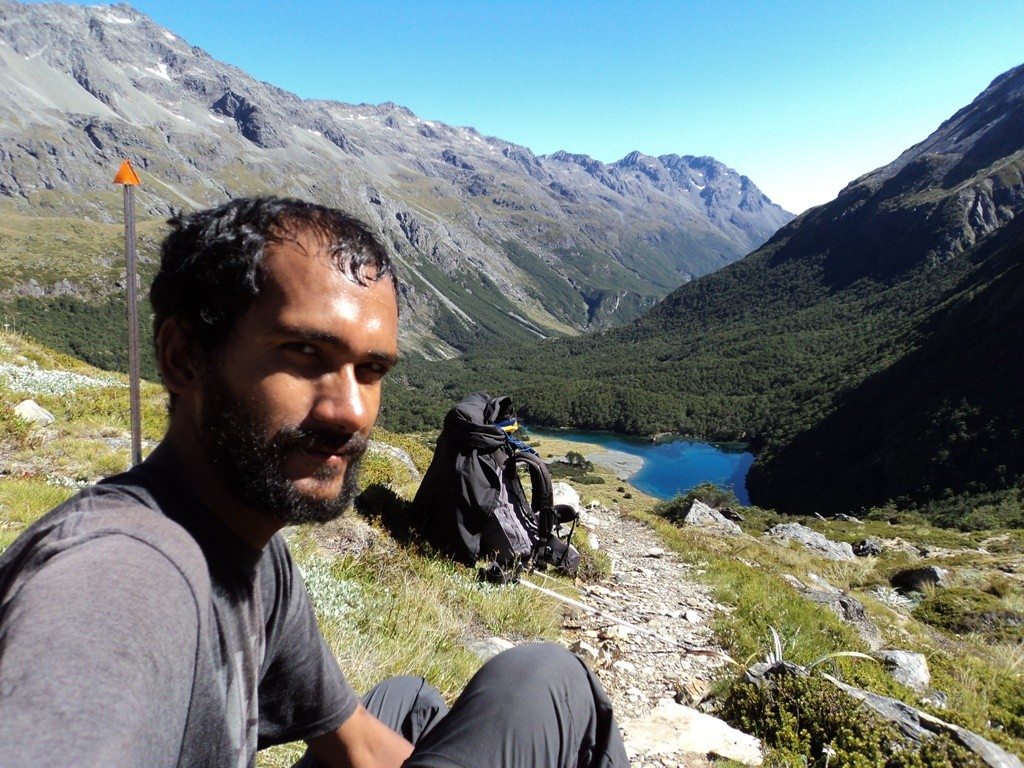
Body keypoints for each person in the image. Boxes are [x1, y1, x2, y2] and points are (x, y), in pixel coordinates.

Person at [0, 197, 627, 768]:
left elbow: (356, 744)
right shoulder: (119, 583)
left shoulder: (253, 552)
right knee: (549, 681)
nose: (350, 411)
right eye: (303, 353)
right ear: (183, 357)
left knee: (407, 705)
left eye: (371, 369)